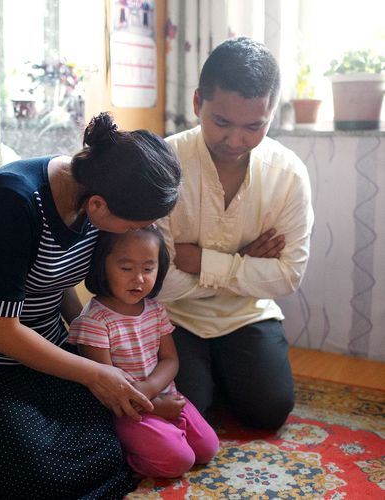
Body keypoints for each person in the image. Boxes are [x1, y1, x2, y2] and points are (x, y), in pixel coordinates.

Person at [0, 112, 181, 499]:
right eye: (131, 225)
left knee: (113, 432)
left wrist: (97, 339)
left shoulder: (91, 194)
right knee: (38, 479)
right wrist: (93, 373)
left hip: (46, 344)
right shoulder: (11, 200)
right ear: (98, 206)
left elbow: (58, 284)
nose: (134, 234)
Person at [156, 37, 314, 430]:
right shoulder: (163, 164)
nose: (235, 140)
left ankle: (221, 376)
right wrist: (244, 263)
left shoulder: (289, 174)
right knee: (190, 413)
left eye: (254, 126)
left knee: (270, 410)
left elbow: (289, 276)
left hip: (247, 313)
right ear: (197, 104)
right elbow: (158, 284)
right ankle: (210, 380)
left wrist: (204, 261)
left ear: (272, 115)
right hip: (176, 316)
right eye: (221, 122)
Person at [67, 227, 219, 478]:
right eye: (126, 268)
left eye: (148, 269)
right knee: (179, 461)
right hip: (127, 411)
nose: (138, 278)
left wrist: (150, 389)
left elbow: (170, 359)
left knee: (207, 449)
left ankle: (167, 437)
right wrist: (154, 406)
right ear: (101, 265)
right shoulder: (95, 321)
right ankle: (124, 457)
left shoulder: (155, 310)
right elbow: (106, 388)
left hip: (160, 396)